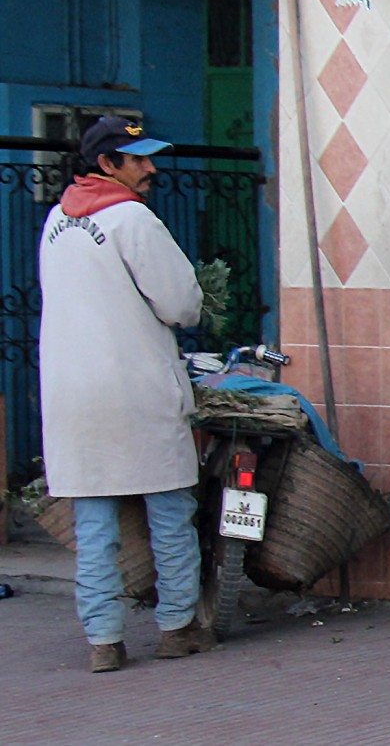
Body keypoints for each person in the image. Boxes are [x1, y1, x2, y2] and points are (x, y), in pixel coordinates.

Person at [39, 116, 217, 673]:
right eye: (137, 159)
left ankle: (104, 641)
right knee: (170, 513)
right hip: (136, 388)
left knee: (94, 524)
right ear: (106, 164)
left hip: (72, 394)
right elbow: (182, 304)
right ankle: (178, 627)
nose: (150, 168)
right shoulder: (132, 218)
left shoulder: (56, 220)